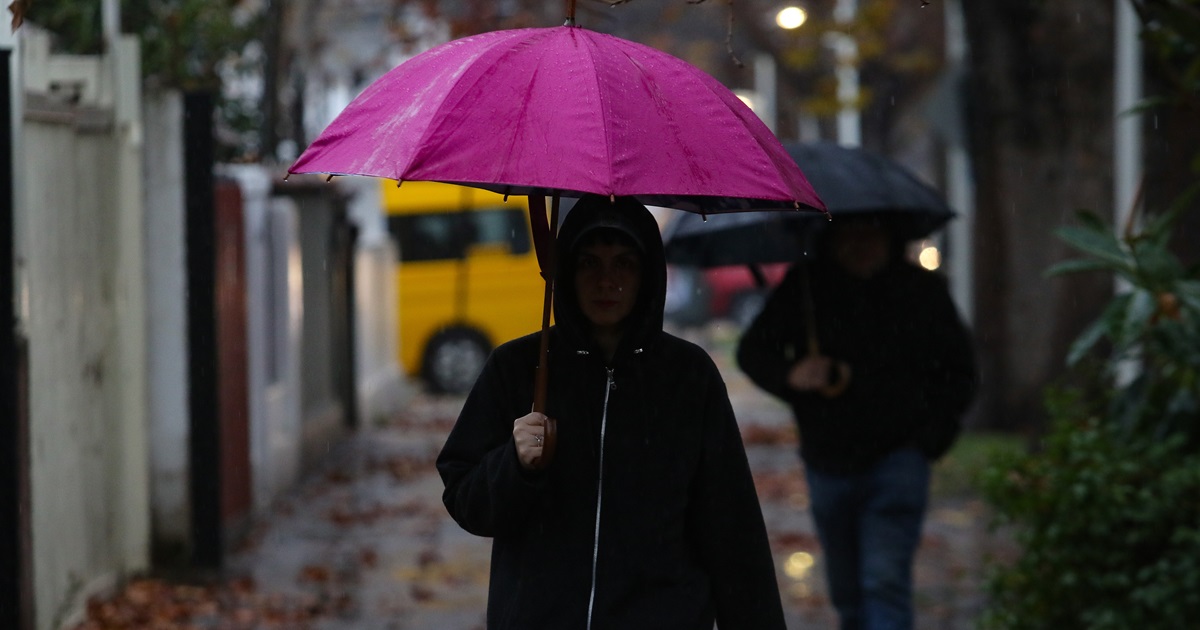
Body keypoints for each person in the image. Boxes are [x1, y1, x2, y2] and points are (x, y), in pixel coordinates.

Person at [436, 195, 786, 629]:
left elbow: (732, 531)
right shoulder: (518, 368)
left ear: (647, 274)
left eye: (623, 263)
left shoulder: (689, 377)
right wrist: (515, 465)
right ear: (567, 270)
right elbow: (467, 501)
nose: (607, 281)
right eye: (589, 263)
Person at [736, 215, 978, 630]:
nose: (860, 244)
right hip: (828, 460)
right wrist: (793, 374)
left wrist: (928, 440)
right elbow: (755, 352)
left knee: (884, 583)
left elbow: (959, 374)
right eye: (850, 234)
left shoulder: (921, 292)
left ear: (890, 236)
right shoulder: (808, 288)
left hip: (898, 460)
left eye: (871, 233)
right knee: (847, 591)